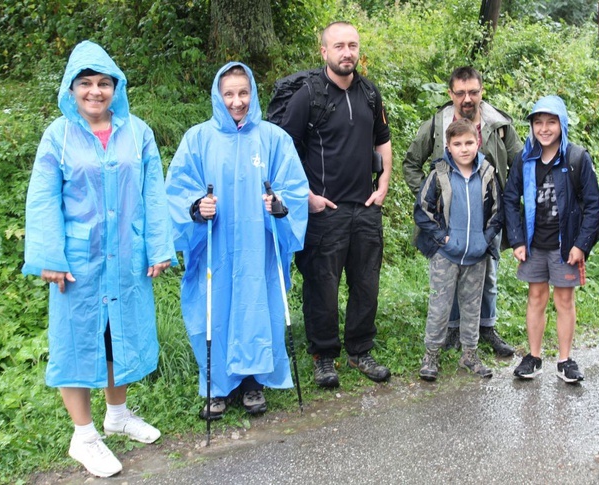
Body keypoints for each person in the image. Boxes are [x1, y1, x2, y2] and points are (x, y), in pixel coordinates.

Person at [22, 40, 176, 478]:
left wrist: (159, 246)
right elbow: (43, 197)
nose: (95, 91)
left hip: (126, 253)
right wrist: (49, 254)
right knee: (77, 342)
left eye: (103, 83)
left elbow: (153, 192)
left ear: (116, 87)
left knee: (118, 336)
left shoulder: (138, 131)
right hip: (77, 260)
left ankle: (118, 415)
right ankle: (84, 435)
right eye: (86, 83)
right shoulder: (59, 134)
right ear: (72, 89)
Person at [165, 62, 308, 418]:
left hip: (258, 248)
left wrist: (279, 206)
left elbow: (294, 188)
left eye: (243, 92)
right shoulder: (198, 139)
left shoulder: (274, 138)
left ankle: (253, 382)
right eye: (229, 93)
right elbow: (178, 190)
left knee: (257, 308)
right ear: (218, 95)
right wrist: (198, 207)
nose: (237, 101)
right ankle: (215, 386)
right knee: (213, 310)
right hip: (216, 249)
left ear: (253, 93)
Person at [279, 21, 393, 388]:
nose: (348, 52)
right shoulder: (308, 95)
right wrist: (306, 197)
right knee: (321, 288)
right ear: (324, 51)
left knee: (366, 286)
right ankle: (324, 356)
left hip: (365, 209)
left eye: (353, 45)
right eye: (339, 46)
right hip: (325, 212)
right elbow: (285, 150)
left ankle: (360, 349)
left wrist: (384, 184)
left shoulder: (370, 94)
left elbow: (383, 140)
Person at [403, 66, 523, 357]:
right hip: (447, 221)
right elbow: (411, 164)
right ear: (451, 94)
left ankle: (486, 328)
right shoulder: (436, 124)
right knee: (450, 272)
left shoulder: (499, 124)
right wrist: (433, 198)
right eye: (460, 93)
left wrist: (504, 205)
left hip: (487, 220)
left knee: (488, 275)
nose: (467, 99)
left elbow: (520, 166)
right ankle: (453, 331)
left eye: (473, 92)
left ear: (482, 90)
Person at [504, 95, 599, 383]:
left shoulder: (576, 158)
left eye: (551, 122)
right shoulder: (524, 158)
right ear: (532, 125)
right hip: (534, 244)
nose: (544, 129)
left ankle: (565, 359)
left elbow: (593, 205)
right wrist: (518, 239)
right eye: (538, 123)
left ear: (562, 124)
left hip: (565, 246)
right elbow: (511, 199)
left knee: (564, 300)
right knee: (535, 297)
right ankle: (534, 357)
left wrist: (581, 245)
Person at [414, 119, 504, 381]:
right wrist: (442, 239)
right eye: (457, 144)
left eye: (469, 143)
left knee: (472, 307)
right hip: (446, 255)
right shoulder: (439, 173)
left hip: (476, 256)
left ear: (477, 142)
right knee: (440, 306)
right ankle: (431, 356)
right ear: (448, 146)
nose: (464, 149)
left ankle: (470, 355)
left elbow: (498, 213)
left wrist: (484, 240)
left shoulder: (487, 173)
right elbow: (423, 210)